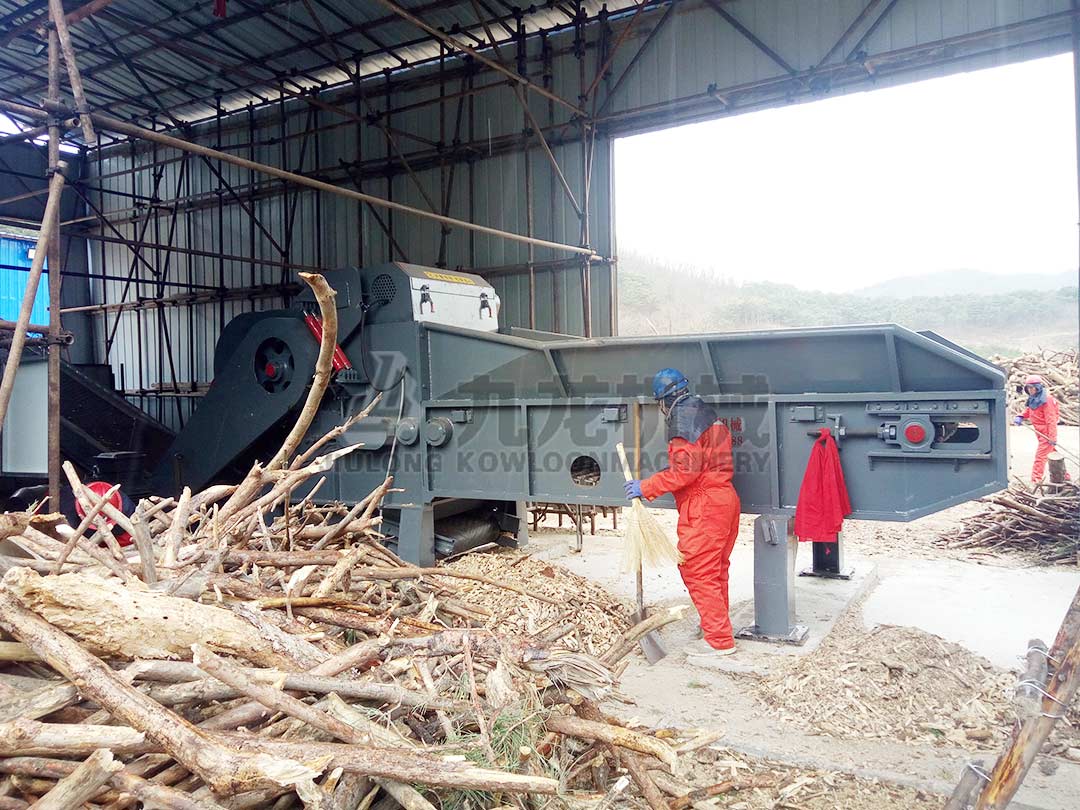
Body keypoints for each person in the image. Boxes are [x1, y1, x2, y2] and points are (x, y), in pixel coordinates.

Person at [624, 368, 742, 658]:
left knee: (697, 570)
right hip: (725, 499)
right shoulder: (708, 416)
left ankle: (719, 641)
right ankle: (715, 626)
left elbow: (685, 472)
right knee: (715, 569)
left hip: (704, 505)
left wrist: (646, 485)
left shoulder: (682, 421)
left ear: (664, 400)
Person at [1013, 374, 1066, 485]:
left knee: (1040, 457)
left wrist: (1052, 437)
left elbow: (1051, 420)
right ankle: (1066, 476)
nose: (1031, 390)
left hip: (1046, 433)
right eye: (1028, 388)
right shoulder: (1033, 398)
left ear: (1038, 387)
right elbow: (1029, 411)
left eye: (1033, 387)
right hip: (1039, 432)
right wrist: (1021, 416)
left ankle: (1036, 480)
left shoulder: (1047, 400)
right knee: (1053, 454)